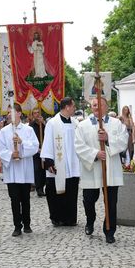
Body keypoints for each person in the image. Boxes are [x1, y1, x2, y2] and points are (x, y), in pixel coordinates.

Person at [75, 97, 128, 244]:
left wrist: (108, 138)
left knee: (111, 201)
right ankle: (90, 220)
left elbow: (123, 141)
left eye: (99, 104)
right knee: (89, 200)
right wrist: (95, 154)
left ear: (106, 106)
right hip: (92, 168)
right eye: (93, 105)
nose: (96, 107)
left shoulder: (116, 123)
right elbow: (78, 146)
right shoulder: (82, 125)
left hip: (110, 169)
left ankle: (109, 230)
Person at [0, 104, 39, 237]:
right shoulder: (4, 131)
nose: (9, 115)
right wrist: (10, 155)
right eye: (8, 113)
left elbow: (35, 147)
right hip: (12, 171)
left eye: (12, 113)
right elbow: (0, 149)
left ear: (20, 113)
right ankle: (17, 226)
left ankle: (27, 224)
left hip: (24, 169)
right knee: (14, 199)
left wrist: (22, 143)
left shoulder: (28, 130)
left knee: (25, 198)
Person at [41, 97, 81, 227]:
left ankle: (70, 218)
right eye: (73, 106)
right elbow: (47, 142)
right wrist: (49, 161)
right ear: (67, 107)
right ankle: (57, 217)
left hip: (73, 163)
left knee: (71, 191)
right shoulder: (52, 123)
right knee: (55, 191)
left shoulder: (75, 123)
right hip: (58, 163)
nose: (74, 108)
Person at [29, 107, 46, 196]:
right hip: (35, 152)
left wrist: (43, 123)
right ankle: (38, 188)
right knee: (37, 169)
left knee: (43, 170)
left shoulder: (43, 125)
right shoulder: (30, 126)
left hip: (44, 150)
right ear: (32, 115)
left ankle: (42, 187)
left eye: (38, 112)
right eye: (35, 113)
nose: (37, 114)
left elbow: (47, 134)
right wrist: (36, 149)